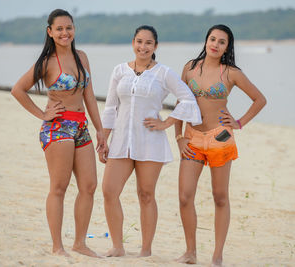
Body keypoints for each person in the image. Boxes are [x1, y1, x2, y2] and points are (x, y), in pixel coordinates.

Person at [99, 25, 202, 257]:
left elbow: (188, 99)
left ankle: (145, 250)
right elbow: (111, 107)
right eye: (139, 41)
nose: (142, 46)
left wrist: (166, 123)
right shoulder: (119, 71)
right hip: (121, 139)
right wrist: (104, 139)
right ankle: (117, 246)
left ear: (155, 46)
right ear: (132, 43)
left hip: (150, 141)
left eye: (148, 43)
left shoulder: (163, 73)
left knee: (146, 194)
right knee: (109, 191)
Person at [11, 9, 107, 257]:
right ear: (50, 32)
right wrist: (42, 114)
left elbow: (89, 96)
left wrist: (100, 131)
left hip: (81, 126)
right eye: (60, 29)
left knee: (89, 185)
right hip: (58, 128)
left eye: (69, 28)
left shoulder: (82, 57)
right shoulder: (47, 62)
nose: (65, 33)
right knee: (60, 187)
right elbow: (18, 90)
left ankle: (79, 243)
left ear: (74, 29)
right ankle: (57, 246)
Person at [175, 24, 266, 266]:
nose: (215, 44)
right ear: (206, 41)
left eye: (221, 41)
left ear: (227, 47)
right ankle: (190, 252)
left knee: (220, 196)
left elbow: (260, 99)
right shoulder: (190, 68)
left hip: (220, 137)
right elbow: (180, 103)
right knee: (184, 196)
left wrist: (239, 122)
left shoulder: (231, 73)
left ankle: (217, 256)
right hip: (192, 137)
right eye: (212, 39)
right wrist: (179, 136)